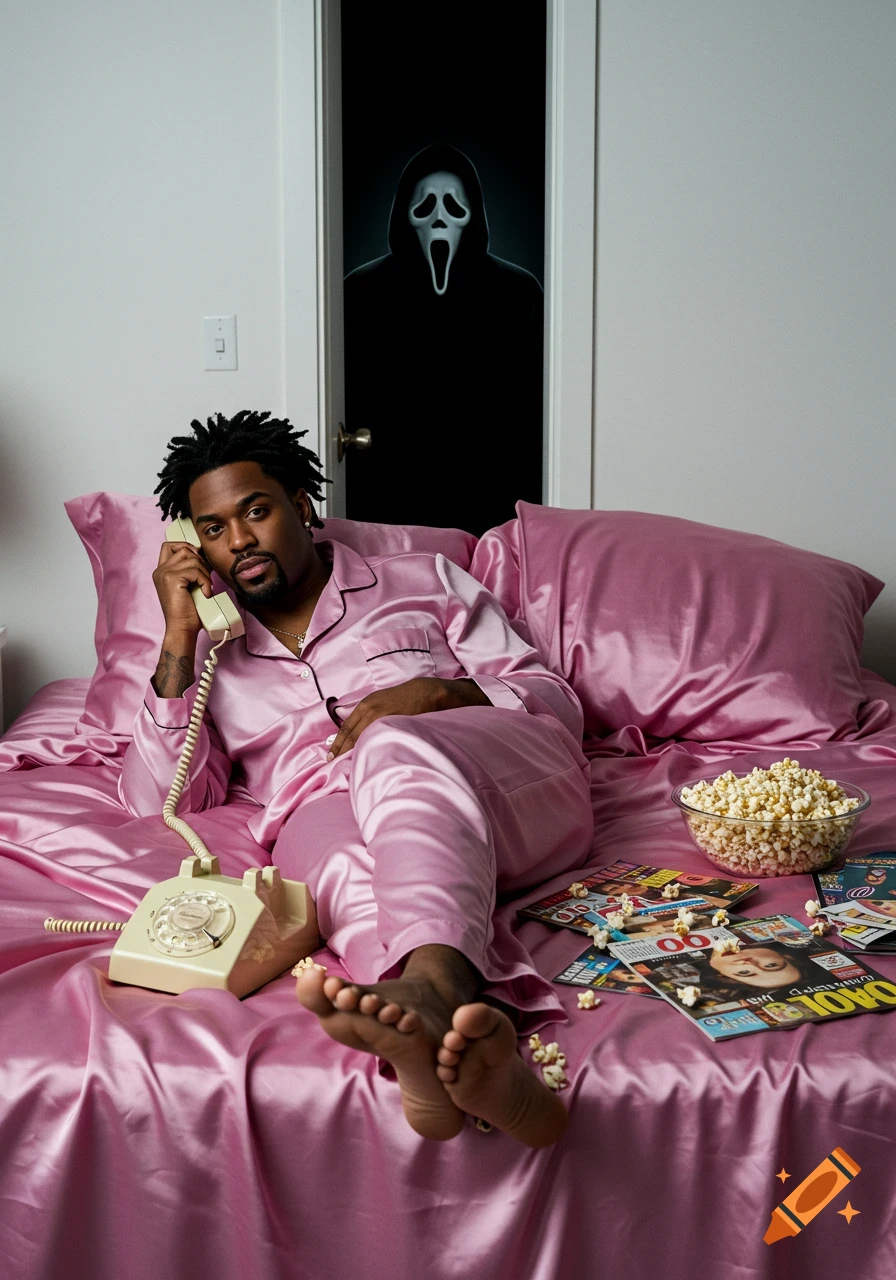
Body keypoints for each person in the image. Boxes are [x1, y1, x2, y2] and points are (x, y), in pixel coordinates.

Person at [119, 410, 595, 1148]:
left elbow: (555, 700)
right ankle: (462, 1045)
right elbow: (159, 798)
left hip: (505, 784)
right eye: (213, 530)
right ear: (197, 549)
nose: (239, 540)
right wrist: (179, 633)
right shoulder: (213, 650)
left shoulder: (422, 580)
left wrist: (439, 696)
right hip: (324, 805)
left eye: (256, 510)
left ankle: (433, 991)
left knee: (392, 746)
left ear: (302, 506)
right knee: (332, 865)